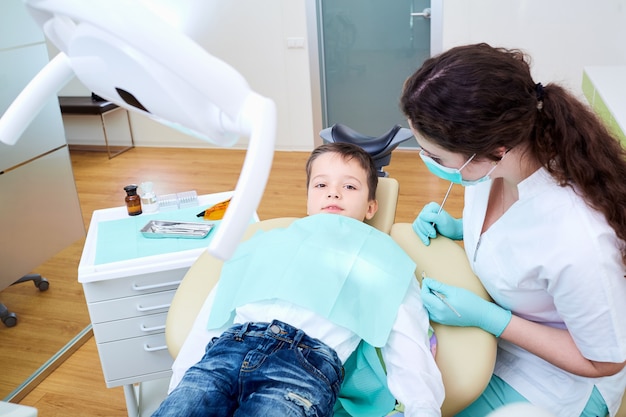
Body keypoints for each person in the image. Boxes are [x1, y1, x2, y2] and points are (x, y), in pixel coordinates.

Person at [400, 42, 626, 417]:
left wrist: (492, 319)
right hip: (492, 343)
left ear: (495, 149)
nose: (428, 163)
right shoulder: (496, 171)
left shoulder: (577, 238)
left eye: (436, 157)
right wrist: (459, 229)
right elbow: (515, 243)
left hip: (555, 384)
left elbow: (606, 361)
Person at [152, 142, 444, 417]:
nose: (334, 193)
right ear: (308, 200)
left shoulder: (383, 257)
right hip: (227, 351)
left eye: (350, 186)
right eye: (321, 184)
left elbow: (408, 335)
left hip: (301, 370)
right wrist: (180, 382)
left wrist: (423, 407)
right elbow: (215, 312)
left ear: (371, 207)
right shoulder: (265, 242)